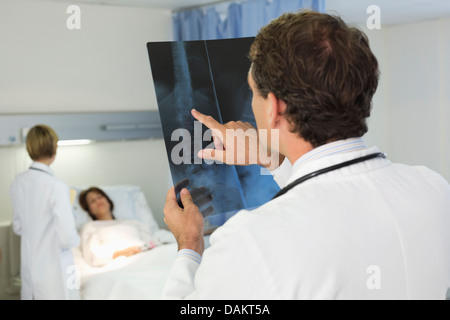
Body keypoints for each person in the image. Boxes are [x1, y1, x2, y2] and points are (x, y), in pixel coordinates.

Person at [162, 11, 450, 299]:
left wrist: (189, 244)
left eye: (253, 92)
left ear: (273, 106)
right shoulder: (434, 189)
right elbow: (332, 196)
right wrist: (271, 159)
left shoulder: (252, 240)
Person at [10, 125, 80, 300]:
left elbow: (17, 227)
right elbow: (66, 237)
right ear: (55, 147)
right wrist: (76, 239)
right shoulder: (56, 186)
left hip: (29, 267)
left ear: (30, 148)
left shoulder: (18, 183)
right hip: (55, 269)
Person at [78, 187, 153, 267]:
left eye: (100, 197)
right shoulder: (90, 227)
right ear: (89, 210)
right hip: (120, 263)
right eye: (92, 201)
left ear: (108, 201)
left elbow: (150, 242)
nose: (98, 201)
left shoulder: (132, 223)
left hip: (147, 255)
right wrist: (121, 254)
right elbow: (92, 258)